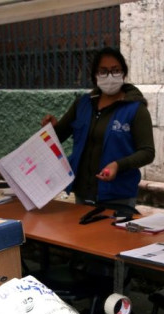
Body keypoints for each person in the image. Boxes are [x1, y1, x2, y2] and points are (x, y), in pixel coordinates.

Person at [41, 47, 155, 209]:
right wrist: (50, 129)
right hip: (82, 192)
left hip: (118, 195)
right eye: (103, 71)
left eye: (115, 71)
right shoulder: (82, 104)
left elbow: (147, 152)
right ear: (95, 75)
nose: (110, 76)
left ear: (123, 74)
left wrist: (118, 165)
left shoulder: (136, 109)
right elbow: (58, 137)